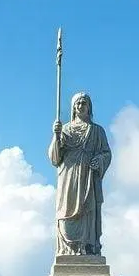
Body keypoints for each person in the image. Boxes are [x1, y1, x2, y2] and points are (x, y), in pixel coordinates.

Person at [49, 92, 112, 256]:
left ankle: (87, 246)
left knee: (87, 211)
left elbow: (107, 153)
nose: (80, 106)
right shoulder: (65, 130)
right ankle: (68, 249)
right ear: (73, 107)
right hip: (68, 177)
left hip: (87, 178)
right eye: (77, 103)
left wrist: (100, 160)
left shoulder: (97, 131)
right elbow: (55, 159)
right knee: (65, 211)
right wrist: (56, 137)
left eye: (84, 103)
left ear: (89, 106)